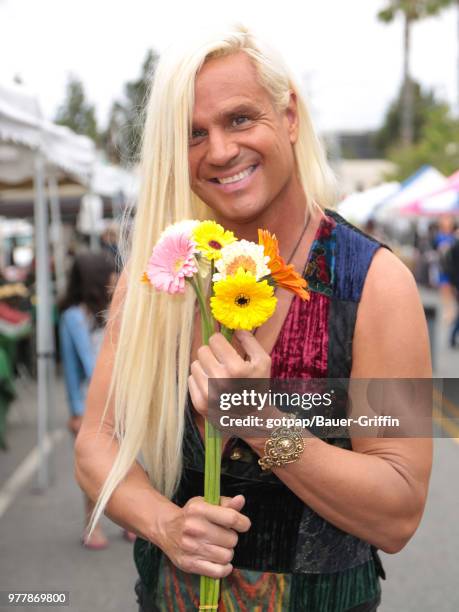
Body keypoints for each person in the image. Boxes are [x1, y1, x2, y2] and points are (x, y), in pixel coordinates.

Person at [74, 26, 432, 611]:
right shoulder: (161, 272)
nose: (218, 151)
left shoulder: (376, 283)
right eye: (193, 133)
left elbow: (400, 509)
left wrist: (263, 424)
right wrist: (166, 525)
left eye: (240, 119)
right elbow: (95, 440)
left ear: (289, 117)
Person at [59, 252, 135, 549]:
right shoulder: (74, 317)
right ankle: (92, 526)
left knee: (126, 464)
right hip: (92, 404)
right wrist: (77, 411)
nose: (115, 278)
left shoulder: (112, 310)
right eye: (109, 273)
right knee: (94, 468)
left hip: (122, 400)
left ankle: (129, 520)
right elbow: (78, 367)